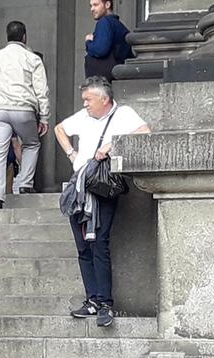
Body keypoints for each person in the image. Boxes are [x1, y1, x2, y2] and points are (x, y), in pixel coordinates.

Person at [54, 76, 149, 327]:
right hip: (80, 185)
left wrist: (111, 145)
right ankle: (92, 299)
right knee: (83, 247)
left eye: (88, 99)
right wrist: (72, 154)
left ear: (104, 99)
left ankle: (105, 302)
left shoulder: (123, 113)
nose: (85, 104)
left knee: (99, 243)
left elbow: (145, 132)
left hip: (102, 187)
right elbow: (59, 128)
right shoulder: (83, 117)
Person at [0, 20, 50, 208]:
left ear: (7, 36)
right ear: (24, 37)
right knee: (32, 144)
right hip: (24, 109)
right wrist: (44, 116)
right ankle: (25, 183)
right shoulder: (32, 58)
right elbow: (42, 90)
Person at [84, 0, 135, 81]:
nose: (92, 9)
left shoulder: (104, 22)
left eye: (95, 5)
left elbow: (100, 50)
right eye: (91, 6)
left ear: (107, 4)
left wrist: (88, 42)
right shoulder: (120, 26)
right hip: (119, 79)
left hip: (103, 83)